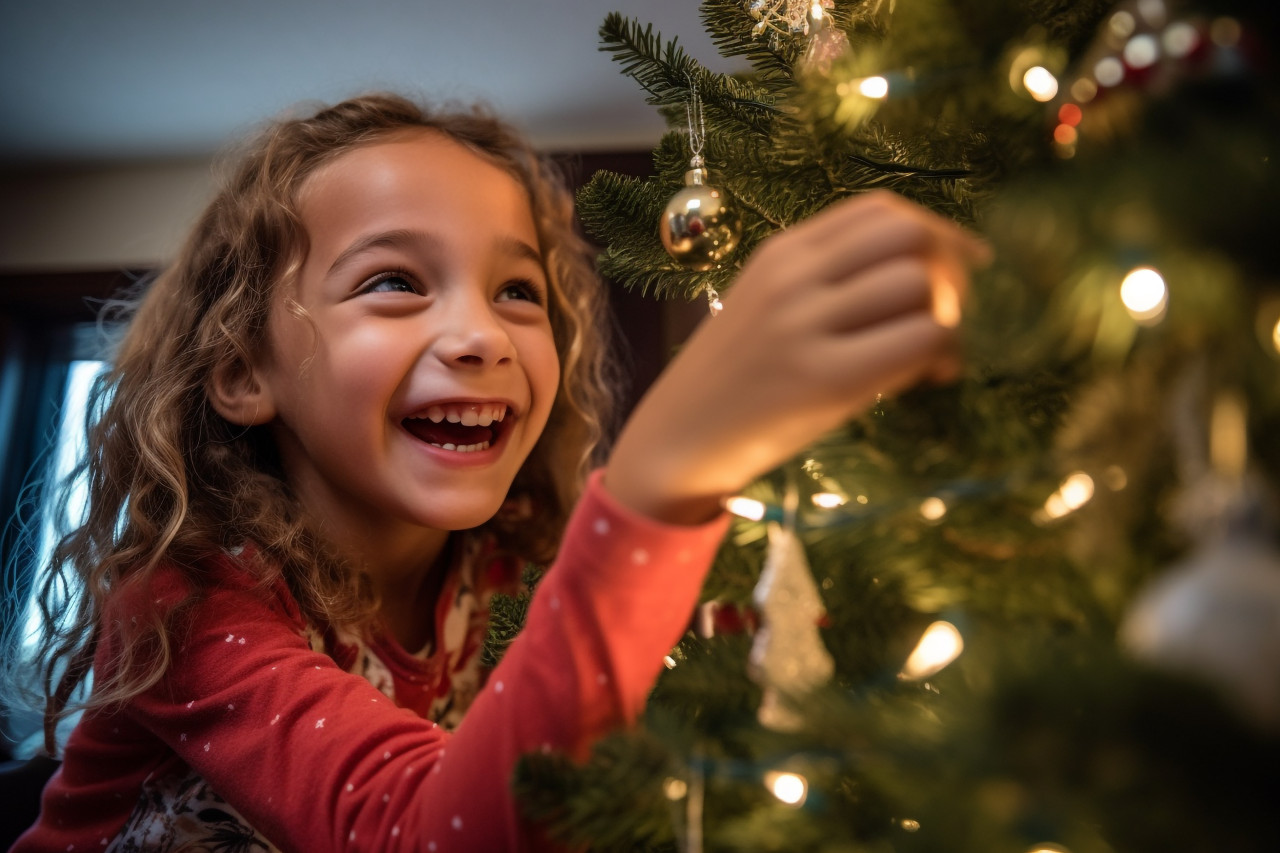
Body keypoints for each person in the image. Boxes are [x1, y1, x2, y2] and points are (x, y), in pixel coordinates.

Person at [6, 92, 986, 851]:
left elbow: (667, 689)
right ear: (240, 369)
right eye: (393, 281)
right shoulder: (185, 605)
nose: (480, 333)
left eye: (518, 289)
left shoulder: (508, 574)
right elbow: (428, 831)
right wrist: (666, 475)